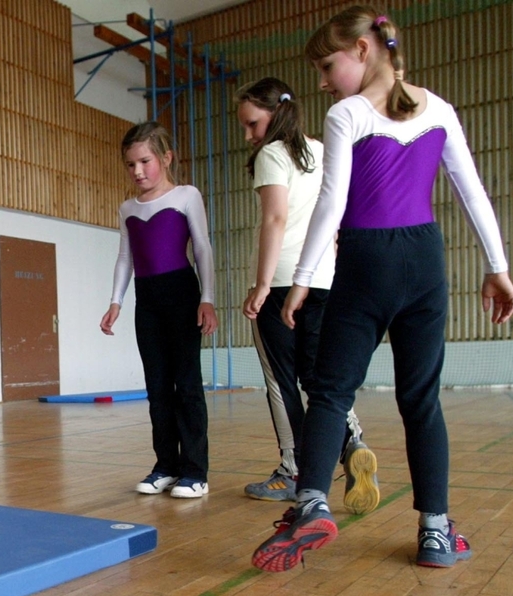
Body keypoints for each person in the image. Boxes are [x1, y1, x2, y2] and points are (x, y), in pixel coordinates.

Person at [251, 7, 513, 573]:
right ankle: (436, 532)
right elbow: (472, 193)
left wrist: (301, 281)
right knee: (421, 400)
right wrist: (498, 266)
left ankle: (311, 503)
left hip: (366, 260)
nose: (323, 81)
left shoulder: (347, 112)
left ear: (364, 50)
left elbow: (333, 201)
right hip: (424, 261)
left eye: (328, 65)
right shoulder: (439, 109)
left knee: (329, 391)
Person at [236, 77, 379, 515]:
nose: (249, 135)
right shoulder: (321, 151)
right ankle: (352, 440)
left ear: (275, 114)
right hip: (325, 280)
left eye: (253, 123)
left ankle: (293, 467)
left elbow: (275, 219)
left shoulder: (272, 155)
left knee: (282, 383)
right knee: (322, 379)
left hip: (283, 281)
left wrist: (262, 286)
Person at [100, 121, 218, 499]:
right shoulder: (127, 208)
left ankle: (195, 471)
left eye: (144, 161)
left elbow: (202, 248)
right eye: (130, 165)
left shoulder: (186, 196)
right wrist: (116, 301)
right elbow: (125, 258)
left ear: (165, 158)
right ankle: (165, 465)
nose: (137, 171)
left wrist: (208, 298)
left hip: (182, 293)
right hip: (146, 299)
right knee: (157, 387)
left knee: (187, 385)